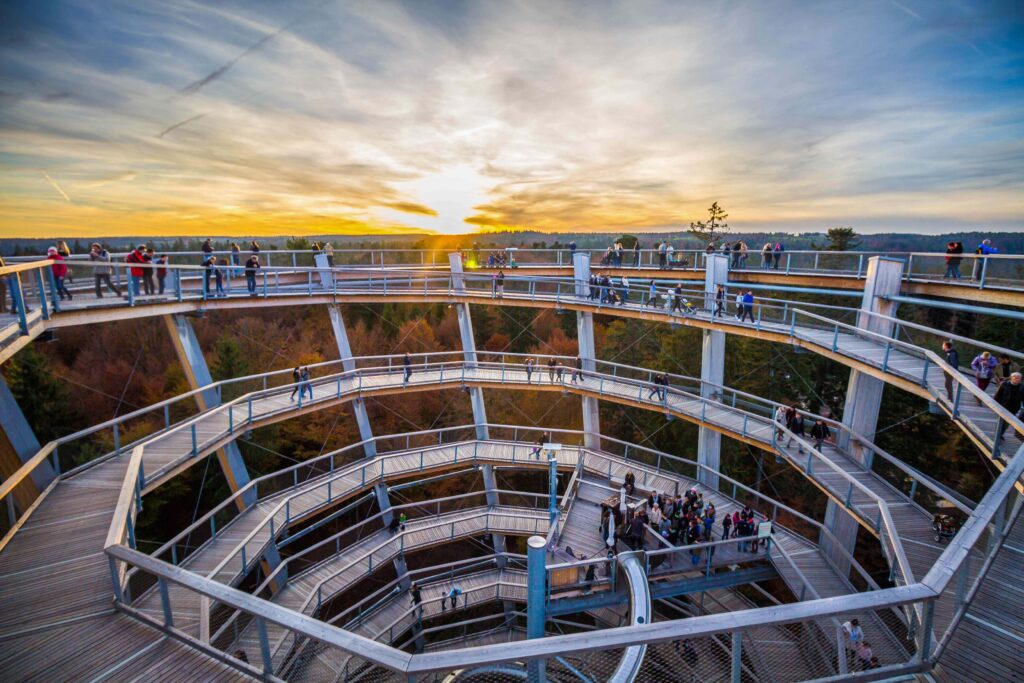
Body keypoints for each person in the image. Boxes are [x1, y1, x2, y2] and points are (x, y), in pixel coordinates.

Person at [993, 373, 1023, 444]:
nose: (1016, 378)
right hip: (1003, 406)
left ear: (1020, 379)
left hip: (1014, 407)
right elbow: (998, 395)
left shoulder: (1022, 387)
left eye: (1018, 377)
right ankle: (998, 434)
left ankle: (1000, 434)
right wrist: (995, 404)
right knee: (1001, 420)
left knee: (1007, 423)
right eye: (1014, 377)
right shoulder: (1004, 384)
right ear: (1011, 378)